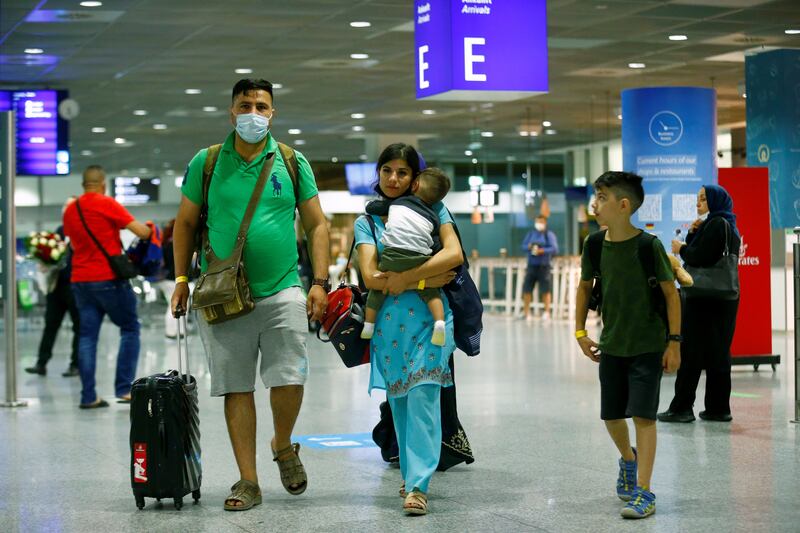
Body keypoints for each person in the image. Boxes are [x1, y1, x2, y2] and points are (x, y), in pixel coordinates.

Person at [170, 78, 329, 512]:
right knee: (236, 387)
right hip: (223, 294)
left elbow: (317, 225)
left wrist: (319, 281)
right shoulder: (207, 162)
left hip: (283, 290)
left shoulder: (292, 162)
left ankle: (282, 443)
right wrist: (181, 279)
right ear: (231, 111)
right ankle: (248, 479)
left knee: (289, 378)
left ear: (273, 113)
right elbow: (183, 224)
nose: (253, 113)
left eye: (262, 106)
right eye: (245, 105)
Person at [355, 143, 465, 516]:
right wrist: (426, 275)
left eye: (402, 172)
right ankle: (409, 471)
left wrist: (408, 278)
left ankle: (419, 484)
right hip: (388, 325)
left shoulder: (436, 209)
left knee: (423, 397)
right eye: (387, 170)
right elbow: (371, 276)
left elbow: (454, 257)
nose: (393, 179)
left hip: (431, 322)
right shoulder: (368, 221)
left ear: (416, 178)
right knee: (400, 400)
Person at [574, 171, 681, 519]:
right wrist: (579, 332)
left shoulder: (649, 247)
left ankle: (645, 492)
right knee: (611, 415)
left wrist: (674, 343)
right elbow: (584, 288)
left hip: (648, 345)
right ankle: (628, 460)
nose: (595, 204)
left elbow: (670, 294)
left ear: (623, 205)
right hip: (612, 345)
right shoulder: (593, 244)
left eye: (602, 197)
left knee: (644, 416)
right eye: (595, 196)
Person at [62, 165, 154, 409]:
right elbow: (142, 232)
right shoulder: (107, 203)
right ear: (102, 183)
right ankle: (124, 389)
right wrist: (148, 227)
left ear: (83, 184)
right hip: (108, 279)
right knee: (130, 328)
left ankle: (88, 396)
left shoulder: (71, 210)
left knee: (87, 337)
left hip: (80, 281)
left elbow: (72, 245)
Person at [659, 185, 740, 423]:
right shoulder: (728, 225)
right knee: (719, 352)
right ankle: (717, 408)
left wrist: (681, 248)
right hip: (725, 298)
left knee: (691, 351)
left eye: (704, 199)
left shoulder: (715, 225)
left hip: (702, 296)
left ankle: (682, 407)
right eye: (698, 199)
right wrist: (695, 233)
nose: (699, 203)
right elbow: (709, 253)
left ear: (715, 201)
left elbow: (698, 257)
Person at [361, 167, 452, 346]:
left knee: (377, 291)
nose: (393, 178)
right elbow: (438, 245)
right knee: (431, 293)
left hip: (392, 257)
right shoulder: (435, 216)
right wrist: (423, 281)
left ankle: (368, 324)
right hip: (420, 259)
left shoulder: (399, 202)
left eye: (402, 173)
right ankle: (439, 322)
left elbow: (372, 207)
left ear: (414, 183)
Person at [26, 199, 80, 377]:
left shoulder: (82, 230)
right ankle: (41, 362)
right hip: (57, 285)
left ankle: (75, 364)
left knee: (78, 327)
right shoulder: (60, 230)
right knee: (51, 325)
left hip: (76, 286)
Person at [520, 215, 559, 321]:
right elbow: (523, 246)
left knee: (545, 290)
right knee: (527, 289)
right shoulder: (531, 234)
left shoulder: (549, 235)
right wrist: (528, 247)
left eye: (541, 222)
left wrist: (543, 251)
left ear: (545, 223)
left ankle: (547, 312)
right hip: (531, 266)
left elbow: (554, 249)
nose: (539, 224)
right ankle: (526, 312)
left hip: (544, 266)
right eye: (537, 222)